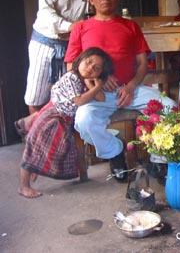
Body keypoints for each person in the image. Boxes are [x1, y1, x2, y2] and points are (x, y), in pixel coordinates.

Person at [64, 0, 176, 182]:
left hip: (130, 90)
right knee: (83, 120)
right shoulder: (81, 28)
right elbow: (72, 65)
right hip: (97, 94)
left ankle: (158, 161)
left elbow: (142, 63)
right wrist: (96, 82)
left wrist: (132, 86)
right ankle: (114, 152)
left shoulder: (130, 26)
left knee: (170, 107)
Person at [19, 47, 114, 198]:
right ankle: (24, 186)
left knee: (54, 147)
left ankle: (35, 167)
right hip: (53, 115)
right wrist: (96, 88)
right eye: (88, 62)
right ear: (80, 60)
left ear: (100, 73)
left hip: (64, 118)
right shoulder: (71, 77)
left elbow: (101, 99)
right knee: (34, 147)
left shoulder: (87, 81)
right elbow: (79, 100)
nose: (90, 68)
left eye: (96, 68)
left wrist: (93, 86)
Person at [21, 0, 89, 120]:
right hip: (44, 43)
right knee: (36, 93)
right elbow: (47, 14)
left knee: (67, 93)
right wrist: (71, 26)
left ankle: (59, 136)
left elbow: (90, 20)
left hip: (71, 47)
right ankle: (37, 135)